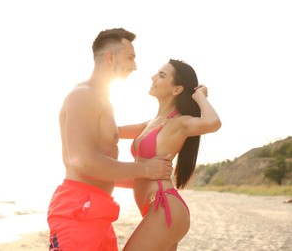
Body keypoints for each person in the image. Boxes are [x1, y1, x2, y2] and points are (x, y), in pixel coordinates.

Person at [47, 28, 173, 251]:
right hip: (77, 211)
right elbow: (83, 162)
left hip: (98, 210)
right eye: (130, 57)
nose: (135, 66)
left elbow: (104, 169)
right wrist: (144, 170)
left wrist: (188, 98)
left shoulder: (102, 99)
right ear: (110, 57)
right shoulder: (83, 95)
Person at [119, 59, 222, 251]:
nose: (153, 77)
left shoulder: (180, 123)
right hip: (157, 209)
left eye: (162, 75)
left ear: (176, 89)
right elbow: (109, 132)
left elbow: (213, 122)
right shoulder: (151, 123)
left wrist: (199, 96)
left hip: (164, 207)